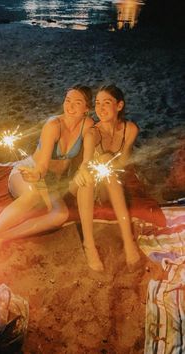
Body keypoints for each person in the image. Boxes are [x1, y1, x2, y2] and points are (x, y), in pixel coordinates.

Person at [0, 85, 95, 269]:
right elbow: (41, 165)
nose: (70, 106)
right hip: (28, 171)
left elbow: (87, 157)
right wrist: (35, 174)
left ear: (86, 109)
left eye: (77, 103)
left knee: (60, 215)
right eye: (68, 100)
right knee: (31, 194)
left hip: (50, 183)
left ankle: (2, 237)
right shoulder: (53, 126)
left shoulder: (87, 125)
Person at [75, 84, 141, 272]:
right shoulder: (92, 133)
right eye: (97, 104)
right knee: (91, 174)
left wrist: (108, 162)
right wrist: (87, 168)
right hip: (88, 189)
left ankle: (128, 242)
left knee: (107, 164)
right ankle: (89, 245)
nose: (100, 108)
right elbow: (86, 161)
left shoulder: (130, 130)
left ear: (119, 106)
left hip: (113, 185)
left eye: (106, 103)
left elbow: (124, 163)